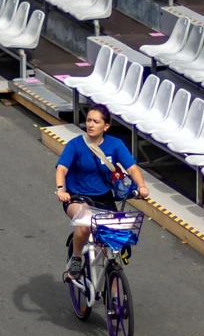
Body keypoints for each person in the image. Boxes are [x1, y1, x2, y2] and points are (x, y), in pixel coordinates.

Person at [55, 103, 148, 277]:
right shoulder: (75, 145)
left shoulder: (115, 145)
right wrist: (61, 189)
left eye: (96, 121)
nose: (90, 124)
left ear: (106, 126)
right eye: (89, 120)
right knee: (85, 225)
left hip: (104, 197)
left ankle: (114, 295)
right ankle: (76, 259)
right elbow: (61, 169)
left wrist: (141, 186)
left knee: (113, 242)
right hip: (77, 197)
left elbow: (132, 168)